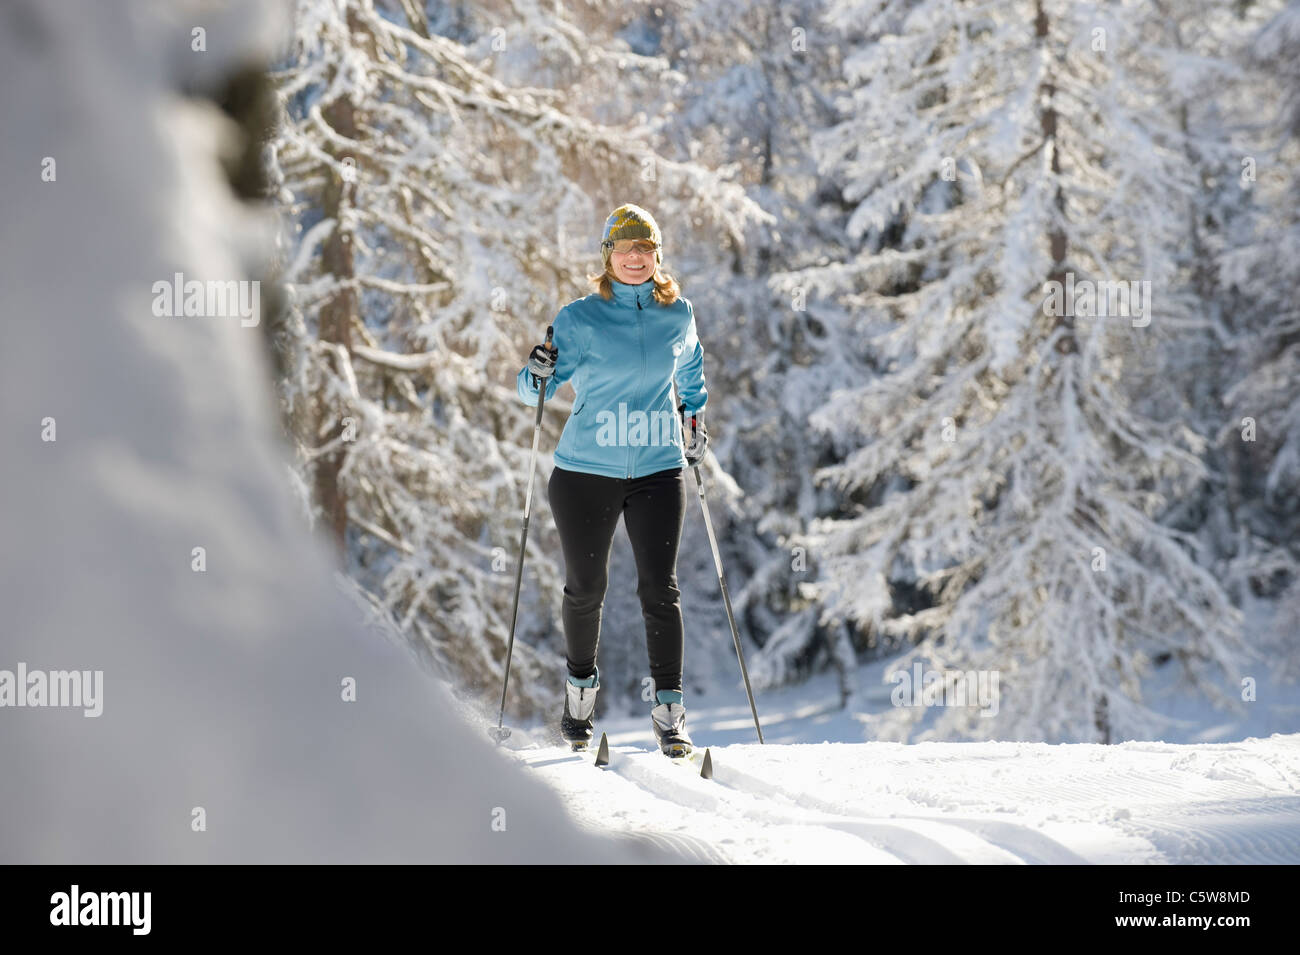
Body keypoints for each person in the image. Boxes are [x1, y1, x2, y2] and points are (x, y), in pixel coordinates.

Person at [516, 203, 709, 758]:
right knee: (586, 588)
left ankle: (669, 715)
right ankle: (579, 699)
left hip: (657, 467)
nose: (634, 259)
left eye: (644, 250)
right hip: (584, 472)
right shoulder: (580, 317)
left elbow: (692, 367)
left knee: (659, 589)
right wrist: (538, 371)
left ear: (657, 256)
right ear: (607, 257)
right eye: (624, 250)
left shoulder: (679, 315)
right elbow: (534, 393)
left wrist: (694, 415)